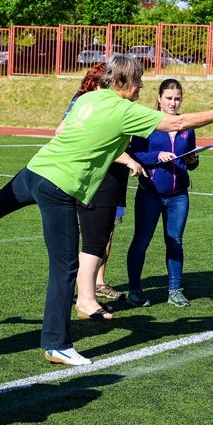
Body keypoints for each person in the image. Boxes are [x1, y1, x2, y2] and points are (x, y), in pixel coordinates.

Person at [0, 54, 213, 366]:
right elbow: (177, 122)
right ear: (121, 82)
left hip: (35, 170)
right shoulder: (124, 109)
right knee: (65, 267)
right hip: (59, 186)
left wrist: (126, 157)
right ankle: (56, 344)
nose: (141, 87)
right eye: (138, 81)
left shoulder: (89, 98)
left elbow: (91, 136)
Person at [55, 66, 147, 321]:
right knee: (82, 237)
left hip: (111, 180)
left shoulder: (119, 106)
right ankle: (80, 295)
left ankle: (94, 286)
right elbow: (71, 134)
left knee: (103, 235)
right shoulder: (85, 102)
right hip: (90, 179)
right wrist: (127, 159)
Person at [124, 79, 200, 308]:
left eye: (177, 99)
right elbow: (134, 153)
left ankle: (175, 290)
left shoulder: (187, 127)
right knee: (142, 241)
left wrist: (193, 159)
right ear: (159, 98)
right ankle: (135, 290)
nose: (173, 103)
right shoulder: (147, 123)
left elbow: (191, 162)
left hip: (179, 195)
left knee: (175, 241)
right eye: (168, 98)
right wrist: (156, 157)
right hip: (151, 192)